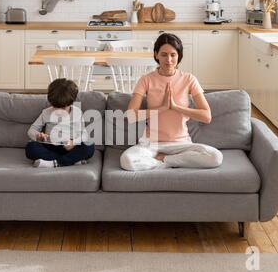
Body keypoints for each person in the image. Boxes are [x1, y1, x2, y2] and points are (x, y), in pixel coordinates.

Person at [120, 33, 223, 171]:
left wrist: (176, 107)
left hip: (181, 143)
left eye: (173, 55)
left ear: (178, 56)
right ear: (156, 55)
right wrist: (162, 108)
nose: (168, 60)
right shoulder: (146, 80)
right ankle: (171, 162)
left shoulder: (189, 79)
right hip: (152, 144)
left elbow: (206, 116)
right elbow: (130, 116)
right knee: (126, 160)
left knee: (215, 157)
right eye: (163, 54)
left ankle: (164, 160)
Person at [25, 78, 95, 168]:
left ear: (71, 102)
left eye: (63, 108)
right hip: (51, 146)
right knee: (31, 148)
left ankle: (54, 163)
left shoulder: (77, 112)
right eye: (56, 107)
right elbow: (31, 130)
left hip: (70, 147)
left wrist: (73, 142)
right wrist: (39, 136)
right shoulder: (46, 112)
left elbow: (84, 134)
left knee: (89, 146)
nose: (59, 111)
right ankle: (71, 161)